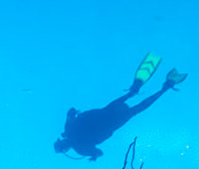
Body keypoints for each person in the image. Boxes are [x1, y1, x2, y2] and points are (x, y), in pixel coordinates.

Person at [54, 55, 187, 160]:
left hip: (109, 120)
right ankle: (154, 88)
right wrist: (74, 115)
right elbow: (71, 112)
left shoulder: (80, 148)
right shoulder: (71, 133)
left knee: (136, 109)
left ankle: (164, 88)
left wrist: (93, 156)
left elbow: (99, 152)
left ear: (66, 149)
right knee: (134, 105)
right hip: (107, 117)